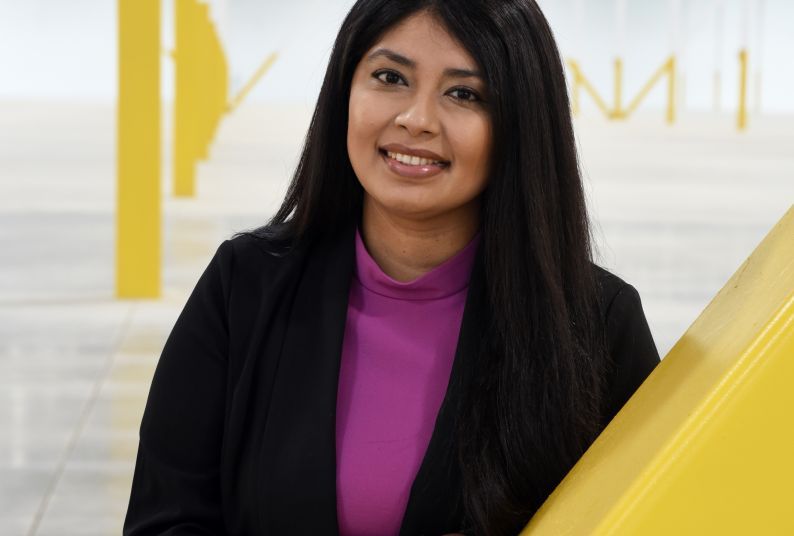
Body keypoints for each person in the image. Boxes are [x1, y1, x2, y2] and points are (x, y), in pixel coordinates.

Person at [123, 0, 660, 535]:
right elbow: (165, 521)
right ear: (345, 94)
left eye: (464, 93)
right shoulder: (244, 286)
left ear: (521, 124)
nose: (416, 119)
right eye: (390, 77)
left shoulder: (598, 324)